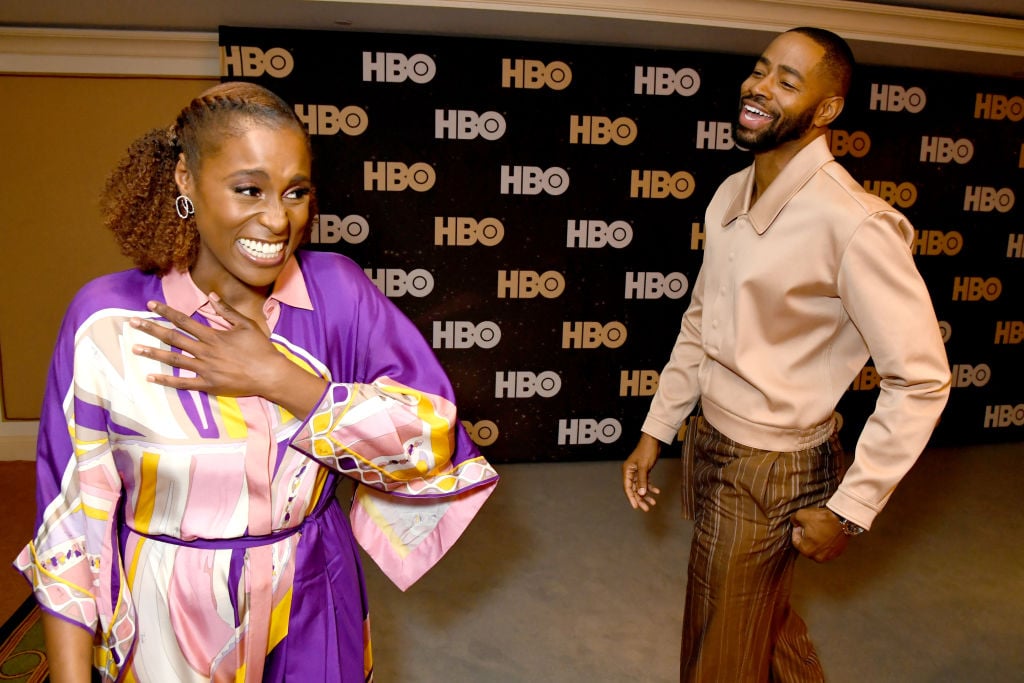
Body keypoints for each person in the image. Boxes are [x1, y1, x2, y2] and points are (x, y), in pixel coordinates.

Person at [15, 81, 498, 683]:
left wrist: (280, 378)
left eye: (296, 192)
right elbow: (69, 524)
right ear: (185, 181)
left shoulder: (338, 294)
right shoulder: (106, 322)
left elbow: (431, 441)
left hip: (316, 591)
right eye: (249, 189)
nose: (278, 219)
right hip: (169, 610)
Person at [621, 27, 951, 682]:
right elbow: (700, 322)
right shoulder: (727, 196)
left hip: (772, 470)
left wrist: (851, 508)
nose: (760, 85)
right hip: (710, 442)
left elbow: (921, 378)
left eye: (787, 81)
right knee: (763, 629)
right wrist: (658, 427)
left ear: (827, 111)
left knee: (719, 649)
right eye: (760, 69)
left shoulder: (853, 223)